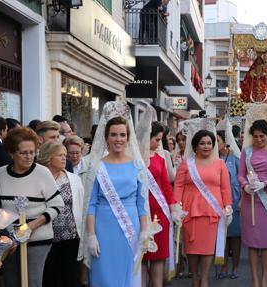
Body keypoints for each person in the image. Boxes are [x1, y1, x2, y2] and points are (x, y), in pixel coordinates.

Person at [85, 110, 150, 287]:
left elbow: (141, 202)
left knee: (127, 273)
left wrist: (144, 231)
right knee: (103, 276)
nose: (118, 139)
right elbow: (91, 204)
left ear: (128, 138)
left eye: (122, 135)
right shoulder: (97, 165)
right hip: (103, 227)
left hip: (130, 225)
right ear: (106, 138)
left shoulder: (137, 165)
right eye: (113, 134)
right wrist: (91, 235)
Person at [0, 127, 65, 287]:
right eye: (24, 153)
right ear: (11, 154)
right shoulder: (0, 174)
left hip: (38, 238)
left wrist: (29, 227)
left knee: (32, 282)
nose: (29, 157)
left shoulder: (42, 173)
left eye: (32, 152)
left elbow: (57, 205)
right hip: (9, 239)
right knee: (11, 282)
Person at [174, 122, 233, 287]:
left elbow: (225, 188)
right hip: (190, 209)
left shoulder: (220, 164)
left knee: (207, 248)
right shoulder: (187, 163)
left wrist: (228, 206)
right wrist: (176, 207)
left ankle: (205, 279)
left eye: (209, 143)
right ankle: (194, 279)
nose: (206, 146)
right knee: (192, 248)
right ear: (195, 146)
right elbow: (178, 185)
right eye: (202, 143)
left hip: (212, 210)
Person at [238, 107, 267, 287]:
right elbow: (240, 174)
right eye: (256, 136)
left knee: (266, 243)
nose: (259, 140)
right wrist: (245, 186)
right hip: (249, 199)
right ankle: (255, 280)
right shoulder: (246, 152)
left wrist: (263, 184)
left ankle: (265, 278)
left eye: (262, 136)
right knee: (252, 243)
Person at [138, 118, 181, 287]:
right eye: (156, 139)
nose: (158, 143)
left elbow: (165, 186)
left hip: (159, 213)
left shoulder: (160, 158)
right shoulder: (132, 158)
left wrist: (173, 207)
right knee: (141, 256)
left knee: (158, 257)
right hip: (140, 212)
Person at [39, 141, 85, 287]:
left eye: (65, 155)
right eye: (60, 155)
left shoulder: (74, 179)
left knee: (71, 278)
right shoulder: (39, 178)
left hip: (71, 237)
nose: (65, 158)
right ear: (48, 157)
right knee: (49, 278)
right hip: (46, 238)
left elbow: (82, 205)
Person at [216, 130, 242, 279]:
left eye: (218, 140)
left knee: (235, 236)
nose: (215, 144)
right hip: (217, 201)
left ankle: (236, 267)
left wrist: (241, 200)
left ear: (225, 141)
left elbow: (242, 178)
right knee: (222, 235)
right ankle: (223, 266)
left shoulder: (235, 157)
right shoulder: (213, 158)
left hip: (234, 200)